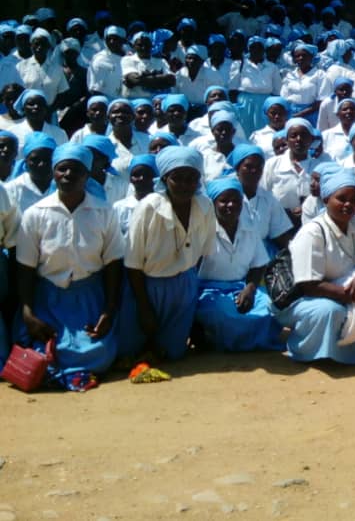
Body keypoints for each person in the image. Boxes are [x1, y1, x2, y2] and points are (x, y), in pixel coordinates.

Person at [12, 143, 124, 390]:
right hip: (49, 298)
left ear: (87, 175)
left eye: (76, 170)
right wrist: (29, 312)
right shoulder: (35, 214)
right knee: (45, 346)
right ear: (54, 172)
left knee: (100, 350)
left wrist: (108, 309)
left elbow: (113, 263)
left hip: (89, 297)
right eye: (62, 169)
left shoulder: (104, 211)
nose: (68, 175)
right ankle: (67, 373)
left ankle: (67, 373)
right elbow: (25, 269)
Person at [273, 168, 355, 365]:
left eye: (354, 200)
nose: (348, 205)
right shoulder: (313, 232)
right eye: (341, 198)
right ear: (326, 199)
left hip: (347, 288)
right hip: (306, 297)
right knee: (329, 311)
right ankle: (314, 353)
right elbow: (309, 286)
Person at [121, 146, 215, 361]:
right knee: (130, 352)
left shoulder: (205, 206)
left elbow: (203, 252)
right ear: (164, 179)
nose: (184, 185)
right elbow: (133, 263)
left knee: (172, 353)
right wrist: (144, 306)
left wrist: (186, 282)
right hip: (147, 286)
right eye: (177, 178)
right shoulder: (148, 208)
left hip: (183, 285)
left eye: (191, 178)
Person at [194, 176, 283, 352]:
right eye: (224, 201)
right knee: (222, 313)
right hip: (209, 291)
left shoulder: (250, 229)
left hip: (242, 287)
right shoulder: (203, 230)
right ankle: (218, 344)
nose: (231, 205)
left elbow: (258, 265)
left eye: (236, 200)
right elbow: (192, 269)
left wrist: (249, 290)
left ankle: (253, 344)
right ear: (213, 203)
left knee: (270, 309)